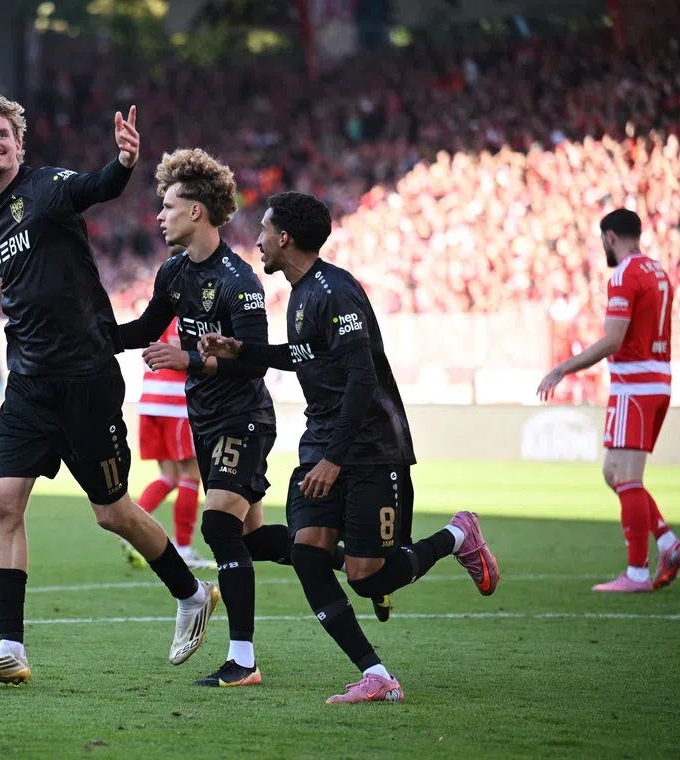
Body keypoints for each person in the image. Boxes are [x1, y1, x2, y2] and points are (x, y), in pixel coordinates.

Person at [0, 95, 218, 685]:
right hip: (28, 385)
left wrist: (123, 163)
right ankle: (11, 649)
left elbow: (97, 186)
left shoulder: (47, 187)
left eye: (0, 134)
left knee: (112, 512)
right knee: (2, 501)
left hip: (85, 381)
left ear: (18, 143)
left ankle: (192, 592)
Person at [200, 192, 499, 703]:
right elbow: (304, 354)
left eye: (265, 230)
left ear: (285, 237)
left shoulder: (336, 291)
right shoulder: (298, 294)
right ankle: (376, 673)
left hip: (370, 450)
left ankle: (457, 535)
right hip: (323, 443)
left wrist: (335, 460)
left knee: (365, 576)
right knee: (307, 553)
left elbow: (362, 377)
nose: (258, 240)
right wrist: (243, 350)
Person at [119, 148, 295, 687]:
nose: (159, 215)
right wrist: (82, 334)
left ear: (195, 212)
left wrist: (190, 359)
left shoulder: (239, 280)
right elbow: (142, 329)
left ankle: (243, 661)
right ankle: (361, 562)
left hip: (243, 417)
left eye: (168, 205)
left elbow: (256, 360)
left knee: (217, 527)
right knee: (256, 541)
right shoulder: (173, 272)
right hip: (207, 419)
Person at [539, 208, 680, 591]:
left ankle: (636, 573)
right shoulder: (658, 270)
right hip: (655, 382)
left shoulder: (625, 275)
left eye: (603, 239)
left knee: (628, 477)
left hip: (634, 387)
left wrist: (563, 368)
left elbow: (614, 340)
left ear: (611, 236)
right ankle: (668, 543)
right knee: (613, 473)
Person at [122, 314, 213, 571]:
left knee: (169, 476)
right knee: (190, 474)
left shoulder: (155, 314)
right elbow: (185, 357)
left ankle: (128, 527)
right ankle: (183, 548)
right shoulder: (185, 316)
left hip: (150, 399)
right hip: (177, 404)